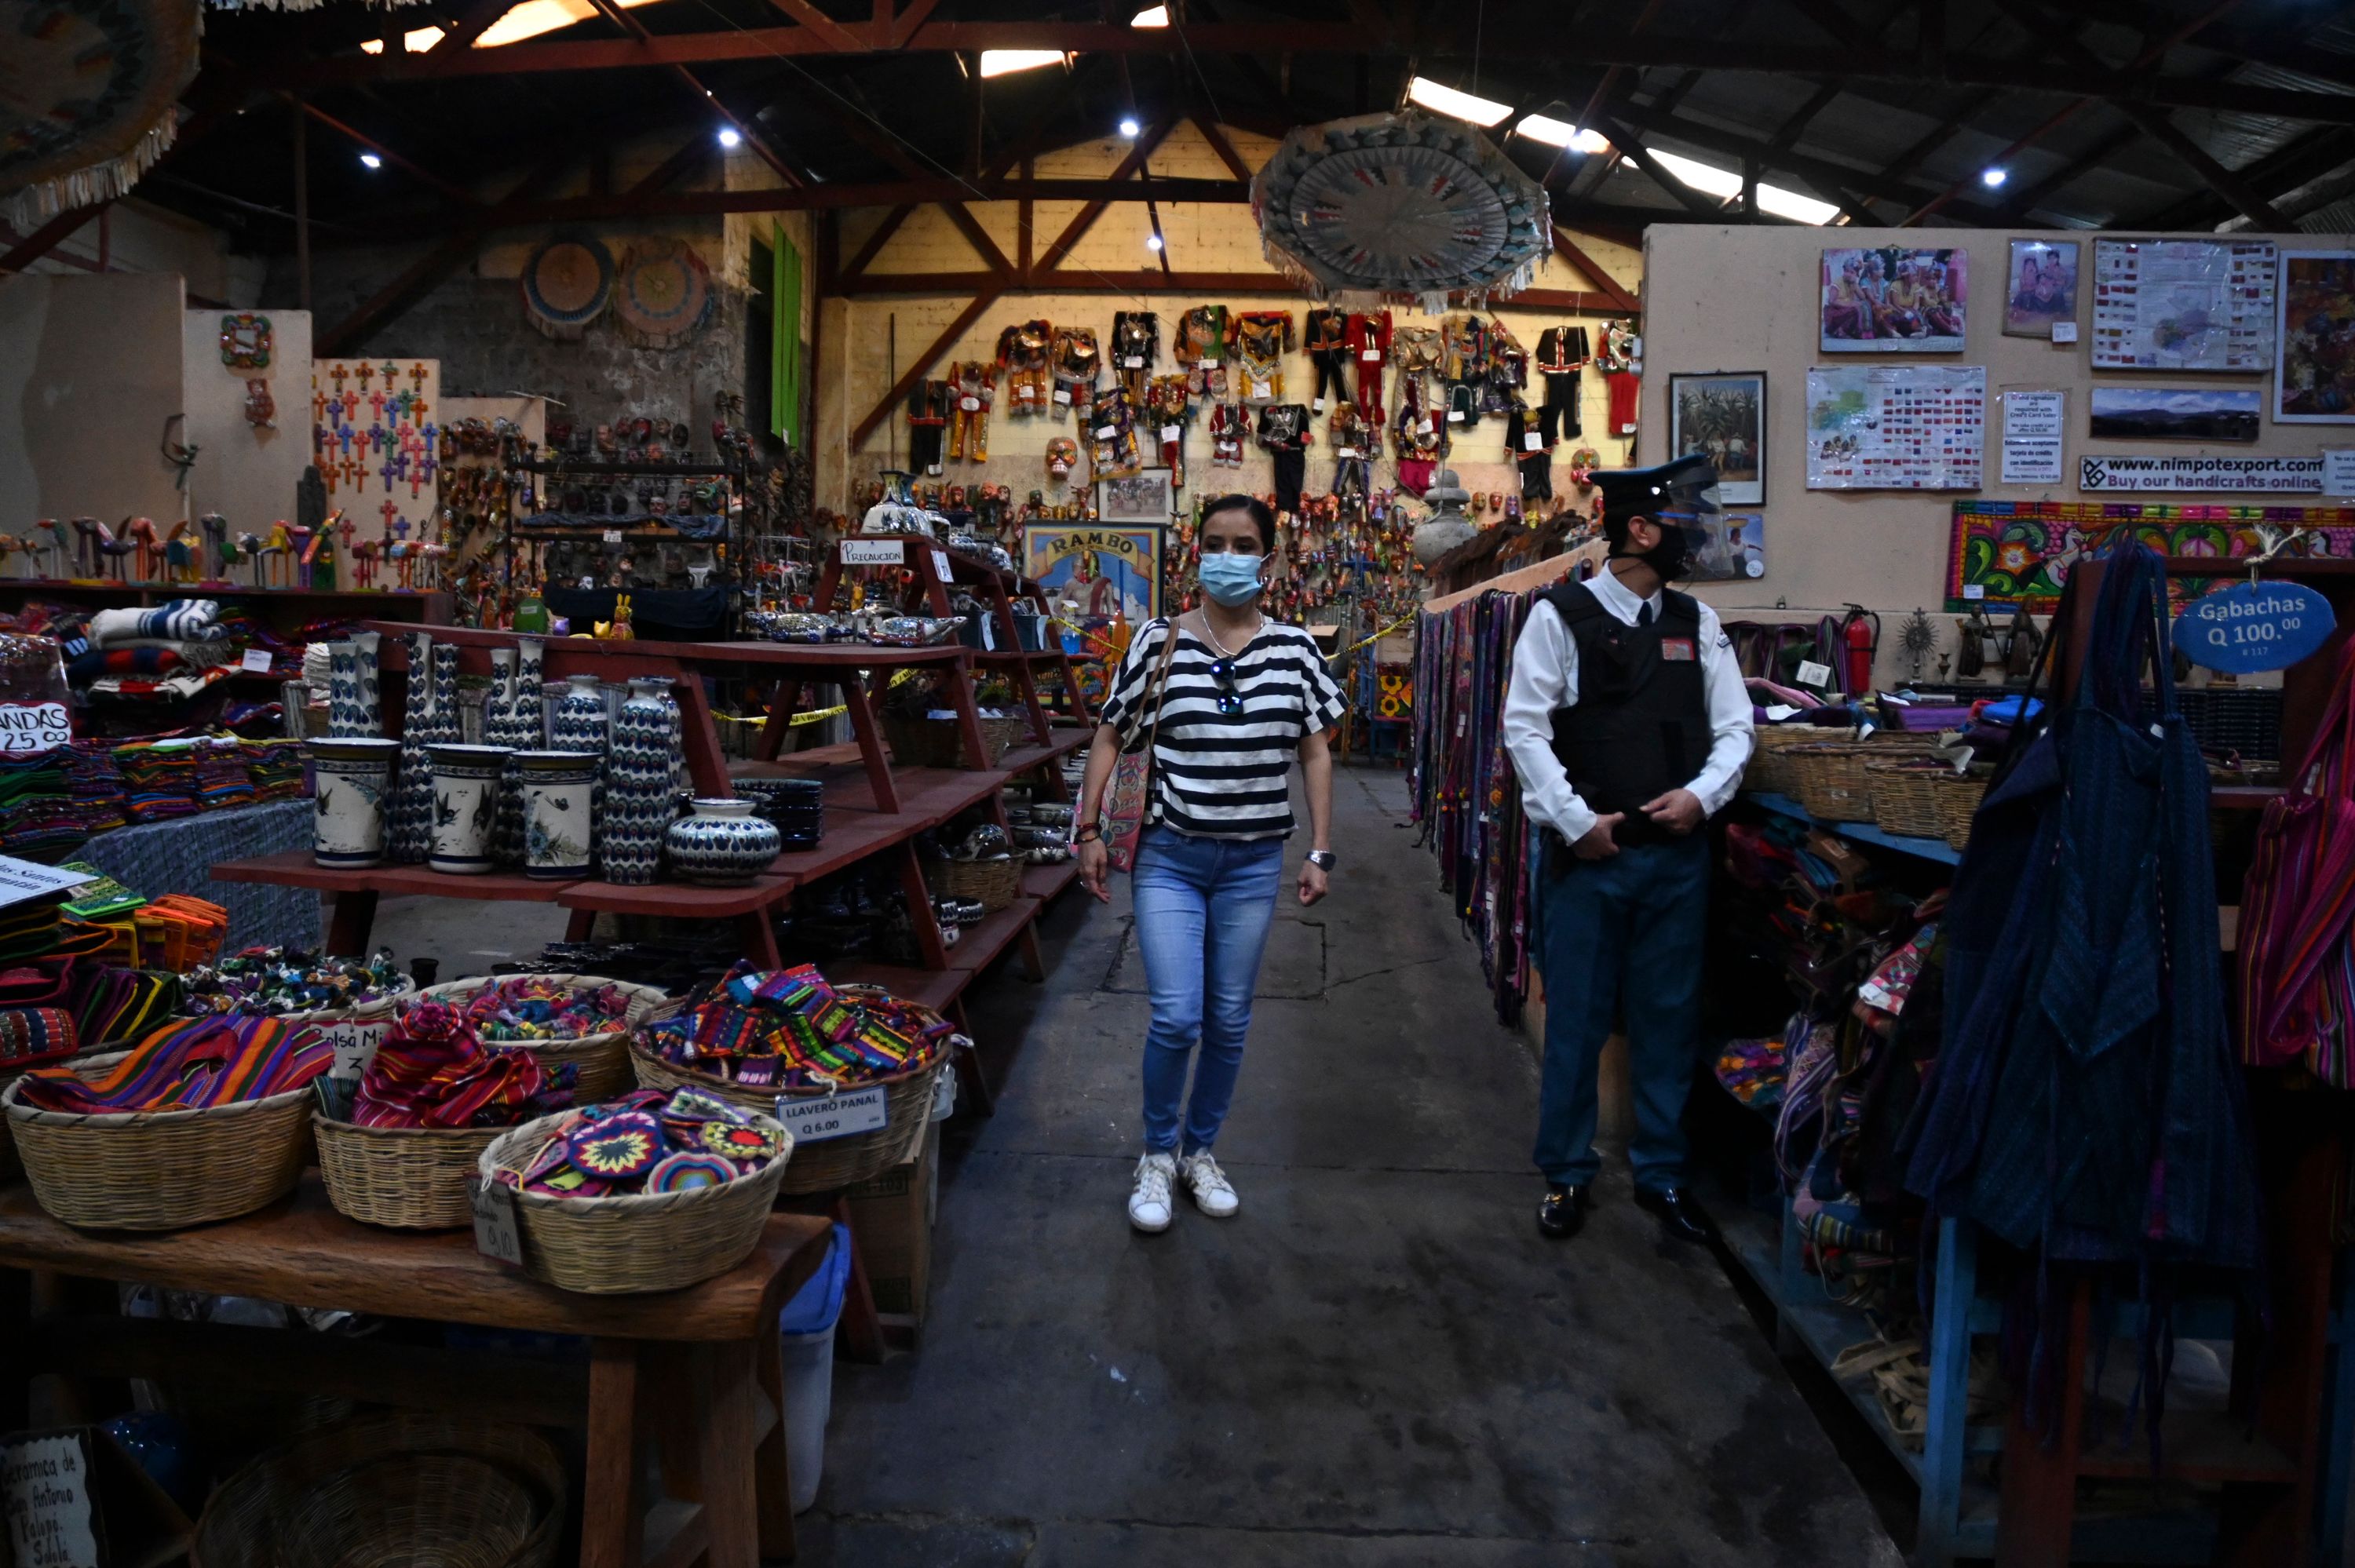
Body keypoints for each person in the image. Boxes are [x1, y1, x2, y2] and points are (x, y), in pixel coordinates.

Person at [1501, 456, 1755, 1245]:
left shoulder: (1698, 625)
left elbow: (1736, 728)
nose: (1694, 538)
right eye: (1682, 523)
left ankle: (1662, 1174)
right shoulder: (1559, 617)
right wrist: (1577, 822)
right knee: (1574, 1021)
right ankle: (1567, 1175)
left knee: (1668, 1019)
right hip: (1590, 861)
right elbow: (1524, 728)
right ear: (1640, 529)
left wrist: (1702, 797)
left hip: (1675, 862)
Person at [1074, 494, 1345, 1234]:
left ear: (1270, 559)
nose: (1228, 555)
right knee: (1176, 1015)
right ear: (1197, 553)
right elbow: (1108, 735)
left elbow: (1315, 749)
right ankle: (1157, 1155)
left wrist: (1320, 849)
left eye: (1244, 543)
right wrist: (1087, 827)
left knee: (1228, 1019)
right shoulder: (1159, 643)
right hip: (1170, 858)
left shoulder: (1294, 650)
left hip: (1255, 863)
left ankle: (1200, 1152)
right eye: (1215, 542)